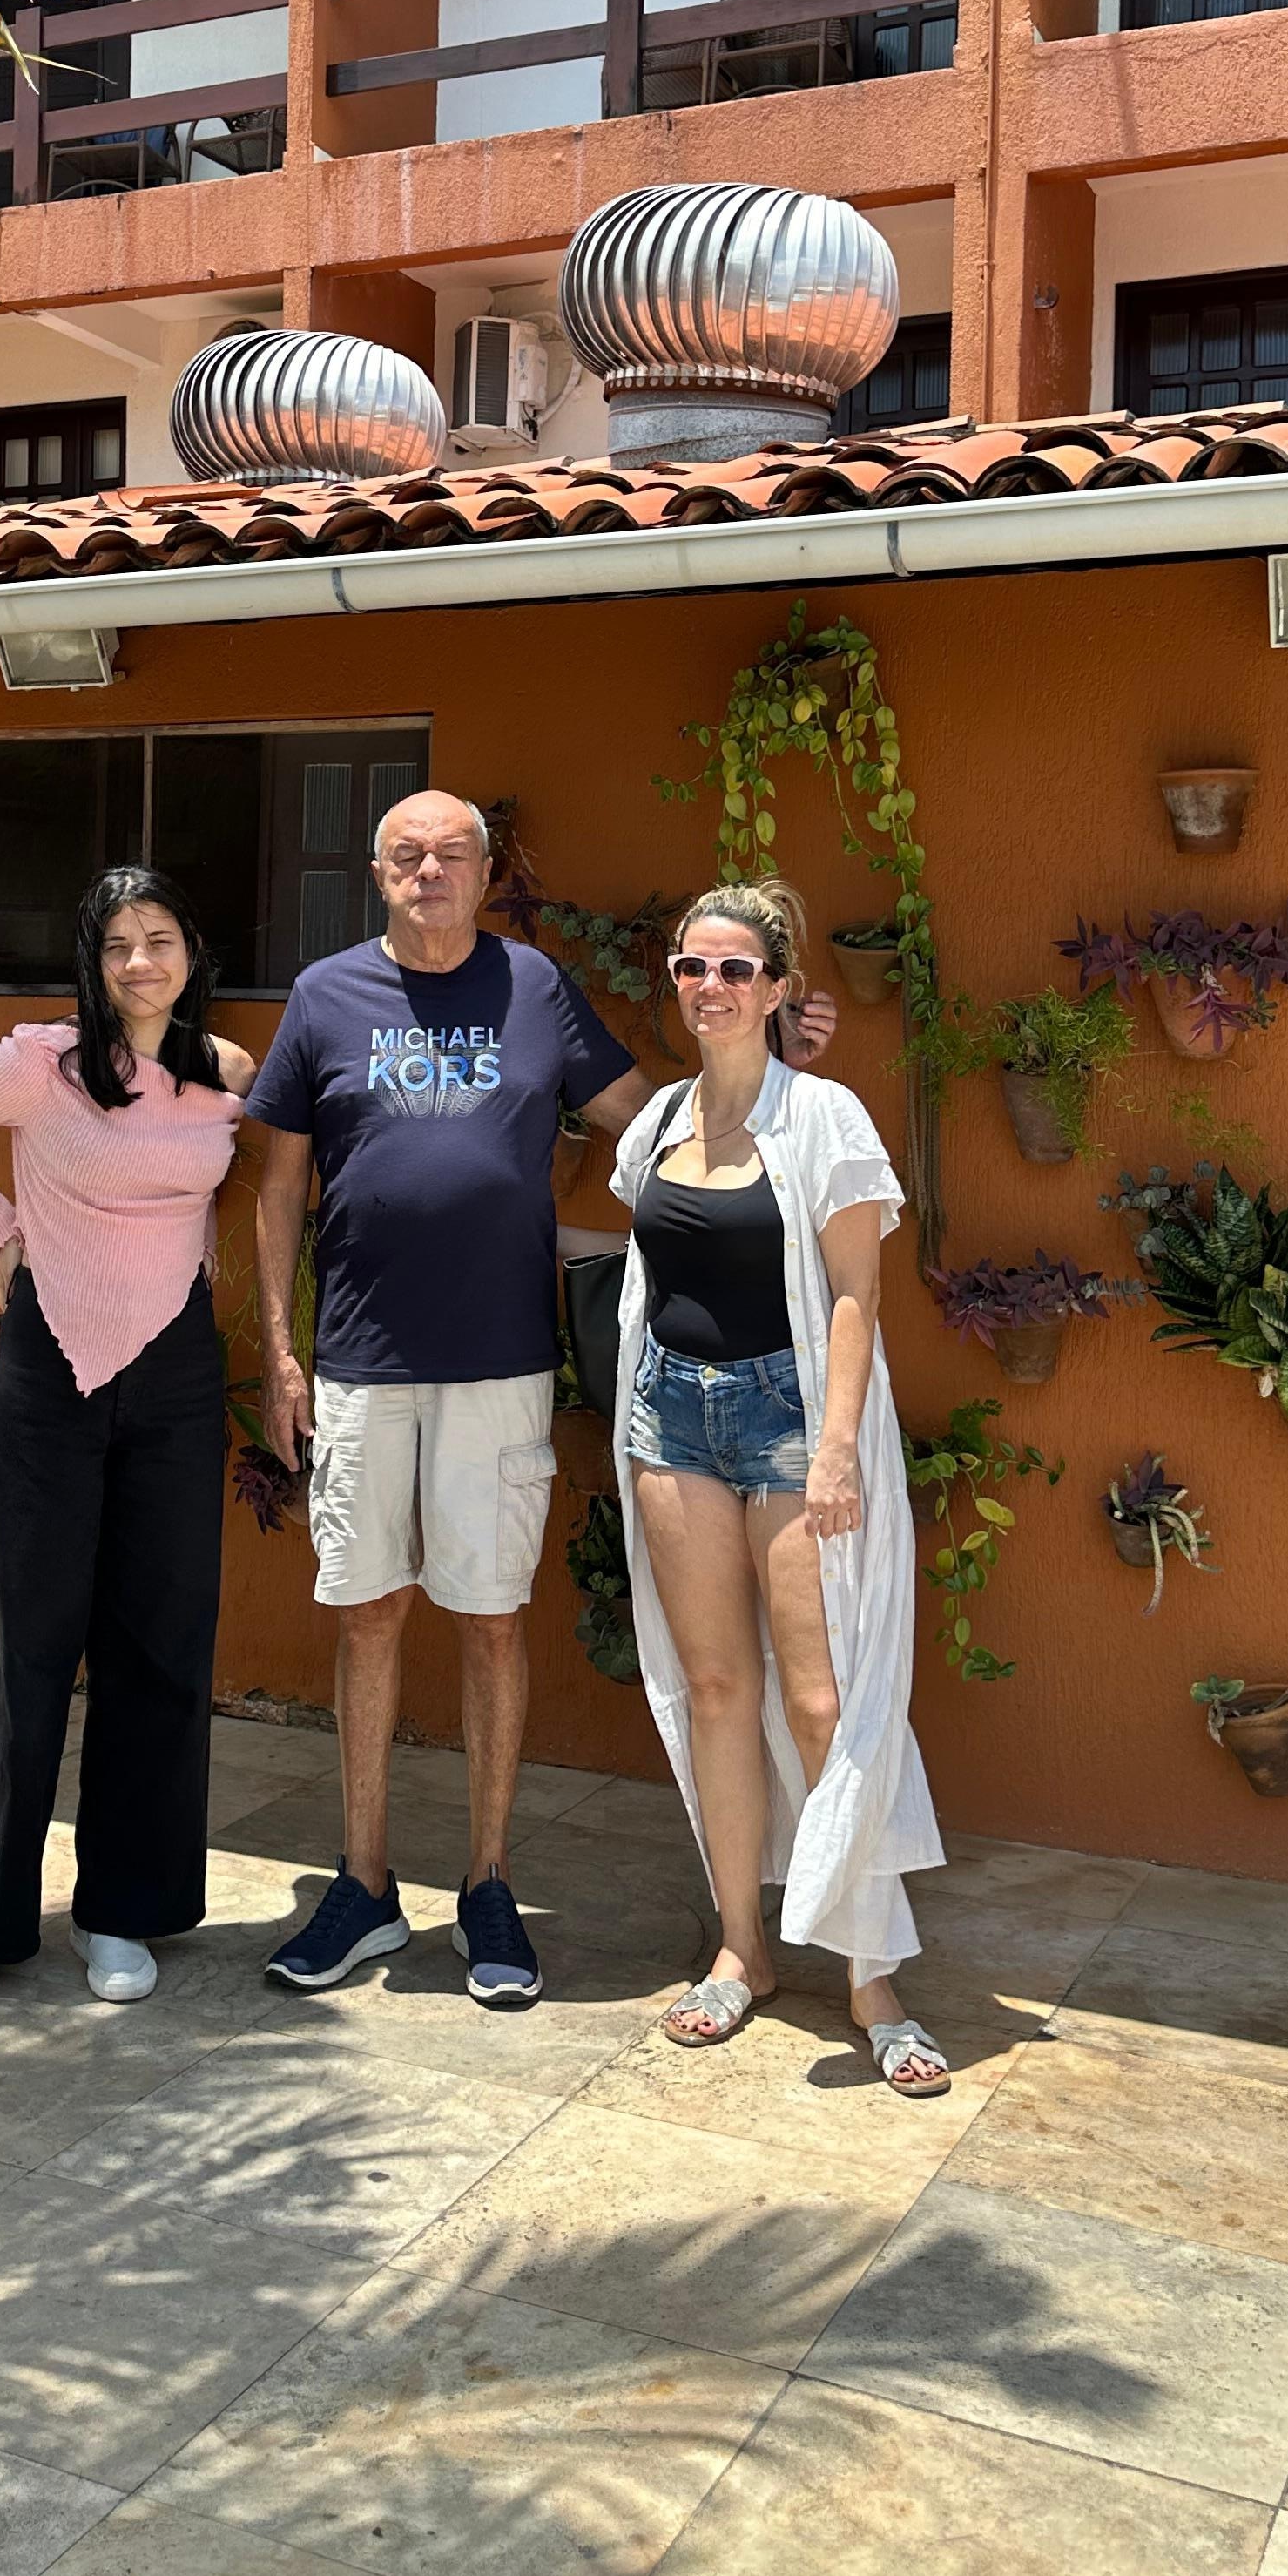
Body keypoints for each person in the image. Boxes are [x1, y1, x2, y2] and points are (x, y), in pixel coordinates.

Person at [249, 789, 841, 2011]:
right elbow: (278, 1187)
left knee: (490, 1621)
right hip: (358, 1361)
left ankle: (487, 1885)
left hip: (502, 1361)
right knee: (367, 1615)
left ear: (484, 874)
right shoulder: (323, 995)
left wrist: (775, 1057)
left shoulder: (533, 987)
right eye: (406, 855)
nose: (429, 872)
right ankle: (363, 1885)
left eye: (451, 854)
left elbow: (660, 1122)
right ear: (377, 873)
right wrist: (280, 1352)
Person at [607, 879, 951, 2095]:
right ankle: (740, 1950)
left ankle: (870, 1976)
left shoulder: (826, 1117)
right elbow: (653, 1282)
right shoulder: (656, 1122)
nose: (711, 988)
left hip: (794, 1424)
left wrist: (839, 1445)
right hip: (672, 1421)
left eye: (736, 970)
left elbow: (856, 1293)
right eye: (692, 967)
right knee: (713, 1688)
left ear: (778, 990)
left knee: (821, 1699)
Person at [0, 868, 254, 2007]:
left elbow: (212, 1191)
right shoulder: (38, 1064)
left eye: (160, 939)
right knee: (34, 1646)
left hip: (178, 1374)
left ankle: (122, 1913)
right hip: (49, 1367)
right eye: (116, 946)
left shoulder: (225, 1074)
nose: (140, 963)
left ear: (192, 953)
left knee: (160, 1645)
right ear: (90, 965)